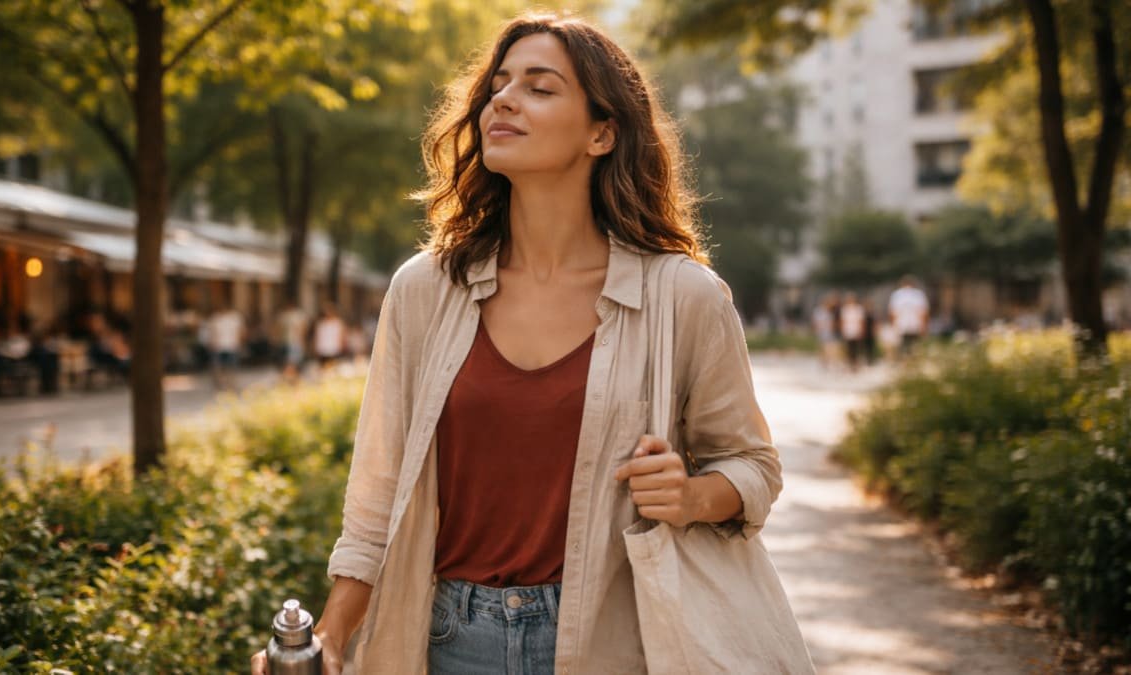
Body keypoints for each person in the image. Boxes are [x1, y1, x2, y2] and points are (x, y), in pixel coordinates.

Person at [251, 13, 786, 675]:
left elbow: (752, 465)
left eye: (539, 87)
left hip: (618, 638)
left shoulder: (683, 296)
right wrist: (330, 635)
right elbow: (376, 499)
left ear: (601, 132)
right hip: (451, 640)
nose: (503, 100)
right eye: (498, 85)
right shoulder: (425, 290)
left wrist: (691, 495)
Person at [888, 275, 929, 356]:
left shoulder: (897, 295)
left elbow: (892, 312)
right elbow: (923, 312)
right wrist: (924, 326)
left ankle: (904, 359)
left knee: (903, 346)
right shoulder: (919, 294)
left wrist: (893, 325)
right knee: (915, 346)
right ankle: (912, 358)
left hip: (901, 324)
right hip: (915, 324)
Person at [208, 303, 245, 390]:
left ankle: (231, 385)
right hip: (219, 346)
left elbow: (241, 331)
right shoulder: (215, 317)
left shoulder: (235, 317)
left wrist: (239, 342)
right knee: (218, 367)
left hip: (232, 345)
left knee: (231, 367)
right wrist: (212, 343)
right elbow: (212, 332)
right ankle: (220, 385)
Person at [275, 301, 309, 384]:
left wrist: (302, 340)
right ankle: (289, 380)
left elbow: (303, 328)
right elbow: (278, 329)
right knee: (286, 362)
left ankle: (294, 380)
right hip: (284, 342)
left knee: (294, 362)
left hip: (295, 342)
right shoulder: (282, 315)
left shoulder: (298, 315)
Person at [312, 302, 346, 371]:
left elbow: (341, 335)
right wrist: (316, 347)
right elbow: (317, 336)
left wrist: (342, 345)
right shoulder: (320, 323)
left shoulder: (337, 322)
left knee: (334, 368)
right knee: (324, 369)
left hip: (334, 349)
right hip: (323, 349)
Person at [839, 292, 867, 371]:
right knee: (849, 348)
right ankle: (850, 363)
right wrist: (843, 330)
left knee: (856, 348)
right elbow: (842, 321)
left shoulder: (859, 309)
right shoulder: (845, 309)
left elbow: (861, 321)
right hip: (848, 331)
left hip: (856, 331)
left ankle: (856, 363)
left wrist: (861, 330)